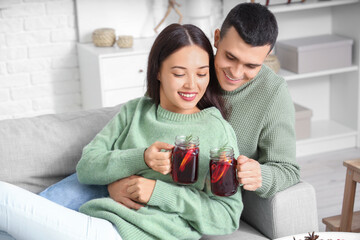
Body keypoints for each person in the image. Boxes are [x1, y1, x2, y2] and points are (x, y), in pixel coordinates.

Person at [0, 23, 243, 240]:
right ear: (158, 71)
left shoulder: (216, 130)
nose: (192, 84)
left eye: (202, 73)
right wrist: (141, 158)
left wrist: (158, 192)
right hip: (95, 219)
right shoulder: (135, 111)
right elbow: (86, 168)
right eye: (179, 73)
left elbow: (227, 216)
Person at [108, 2, 300, 209]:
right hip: (144, 186)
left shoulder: (273, 92)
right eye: (230, 57)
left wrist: (261, 175)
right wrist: (114, 183)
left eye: (251, 65)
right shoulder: (191, 64)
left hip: (195, 202)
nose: (235, 72)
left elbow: (288, 170)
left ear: (267, 56)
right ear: (217, 38)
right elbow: (145, 125)